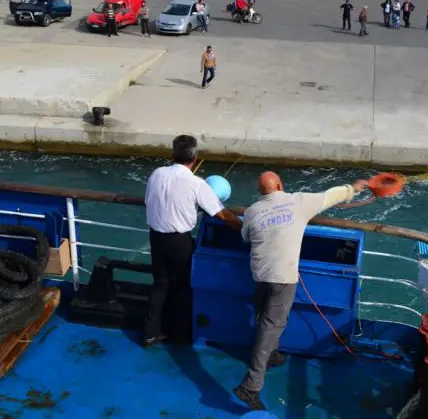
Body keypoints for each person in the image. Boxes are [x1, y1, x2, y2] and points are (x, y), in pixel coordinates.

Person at [232, 172, 367, 411]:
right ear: (281, 186)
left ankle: (271, 354)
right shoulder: (298, 201)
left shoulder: (252, 210)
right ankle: (250, 386)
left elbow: (245, 235)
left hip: (260, 274)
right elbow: (330, 196)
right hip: (283, 277)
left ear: (260, 190)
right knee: (271, 325)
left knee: (263, 315)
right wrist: (353, 187)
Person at [143, 135, 242, 347]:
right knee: (183, 286)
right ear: (194, 159)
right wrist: (246, 229)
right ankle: (180, 334)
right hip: (179, 241)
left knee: (160, 284)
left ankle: (150, 331)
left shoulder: (156, 174)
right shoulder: (197, 184)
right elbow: (222, 214)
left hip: (156, 237)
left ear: (172, 155)